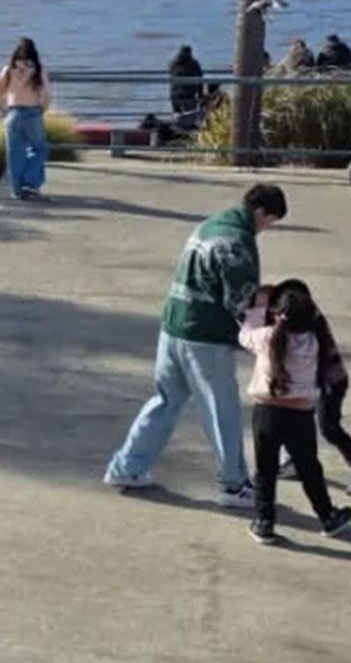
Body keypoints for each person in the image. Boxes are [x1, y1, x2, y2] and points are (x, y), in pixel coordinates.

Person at [104, 184, 289, 507]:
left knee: (165, 401)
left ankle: (127, 466)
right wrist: (268, 328)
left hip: (173, 326)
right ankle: (233, 484)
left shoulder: (211, 224)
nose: (266, 229)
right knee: (221, 410)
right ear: (260, 212)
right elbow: (241, 300)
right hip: (203, 336)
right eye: (270, 222)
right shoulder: (236, 242)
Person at [240, 285, 351, 544]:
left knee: (265, 470)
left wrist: (259, 305)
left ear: (278, 314)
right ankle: (327, 516)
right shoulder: (313, 343)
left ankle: (263, 521)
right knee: (309, 468)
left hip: (266, 411)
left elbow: (245, 334)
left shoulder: (267, 337)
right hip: (300, 414)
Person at [264, 279, 351, 495]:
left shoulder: (306, 331)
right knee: (292, 419)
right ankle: (292, 460)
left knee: (329, 427)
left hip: (330, 384)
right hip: (321, 383)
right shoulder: (308, 317)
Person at [0, 37, 53, 200]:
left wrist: (2, 110)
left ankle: (18, 191)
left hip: (13, 113)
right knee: (39, 149)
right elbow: (46, 94)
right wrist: (43, 109)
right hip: (33, 113)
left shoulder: (8, 70)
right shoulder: (38, 70)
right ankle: (30, 182)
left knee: (14, 155)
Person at [168, 46, 205, 117]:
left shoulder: (173, 64)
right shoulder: (194, 64)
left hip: (175, 95)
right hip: (188, 95)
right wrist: (201, 96)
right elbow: (200, 81)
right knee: (190, 116)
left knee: (177, 116)